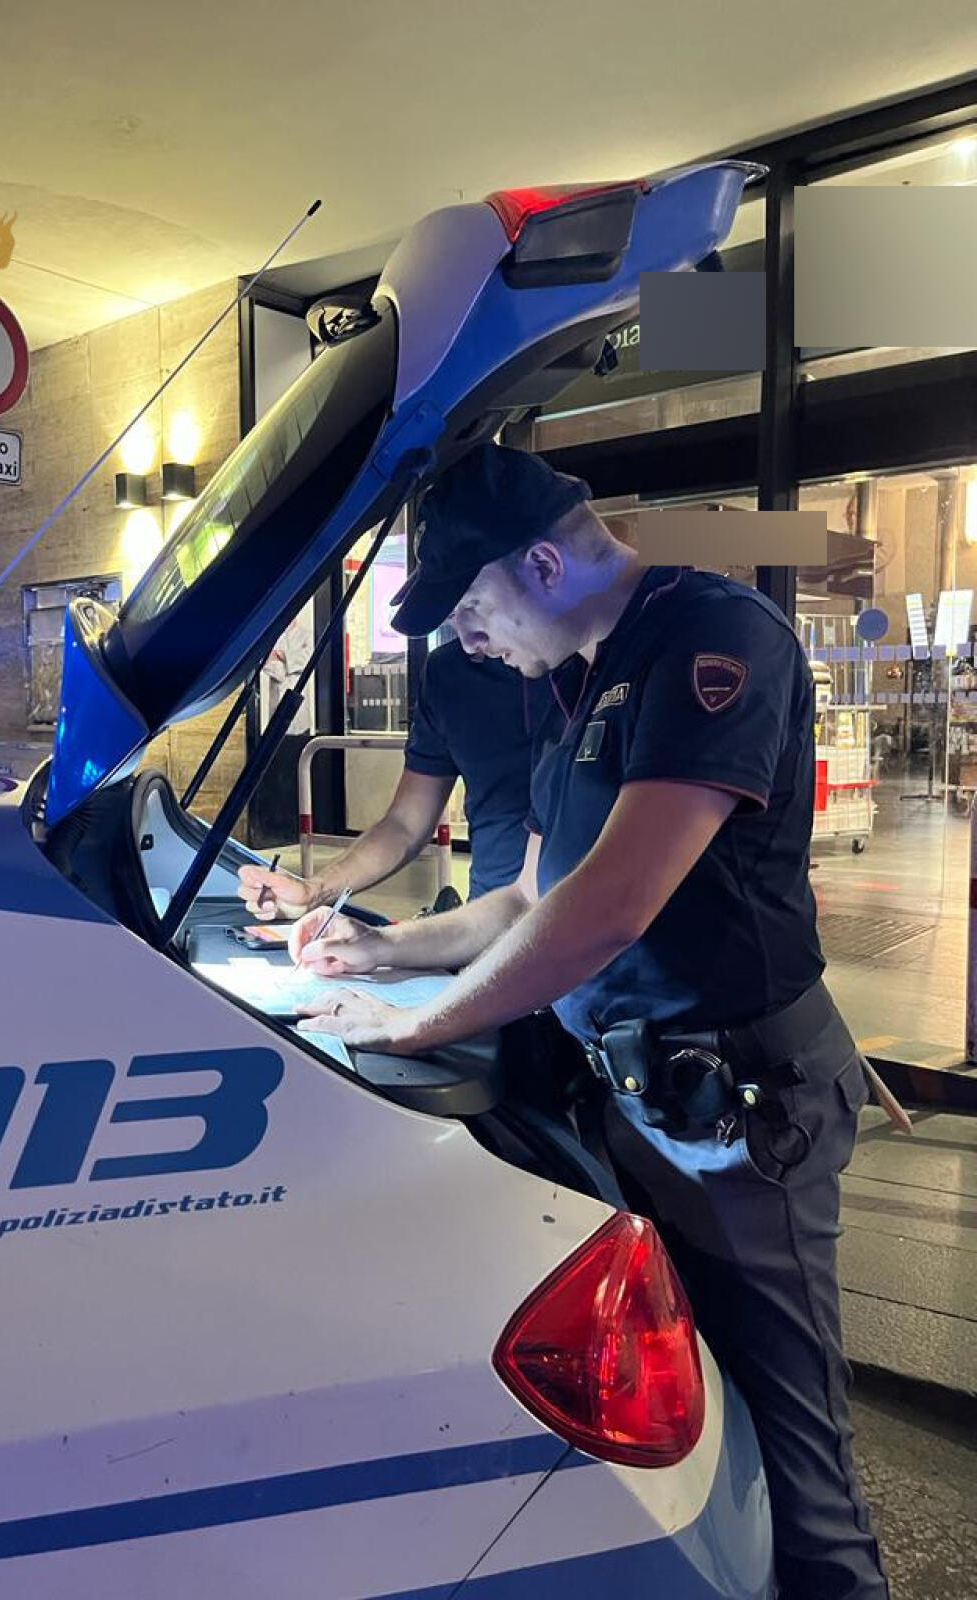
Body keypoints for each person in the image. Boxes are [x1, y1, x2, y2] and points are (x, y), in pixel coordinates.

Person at [292, 442, 890, 1600]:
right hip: (637, 1100)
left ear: (544, 564)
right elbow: (528, 899)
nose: (468, 641)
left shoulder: (715, 638)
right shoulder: (578, 683)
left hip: (737, 1117)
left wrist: (417, 1029)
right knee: (704, 1437)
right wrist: (383, 951)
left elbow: (612, 905)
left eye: (472, 608)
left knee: (796, 1461)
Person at [237, 633, 548, 919]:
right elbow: (406, 823)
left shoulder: (575, 677)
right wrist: (314, 892)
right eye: (453, 613)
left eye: (474, 604)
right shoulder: (450, 672)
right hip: (490, 919)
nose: (467, 636)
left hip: (565, 927)